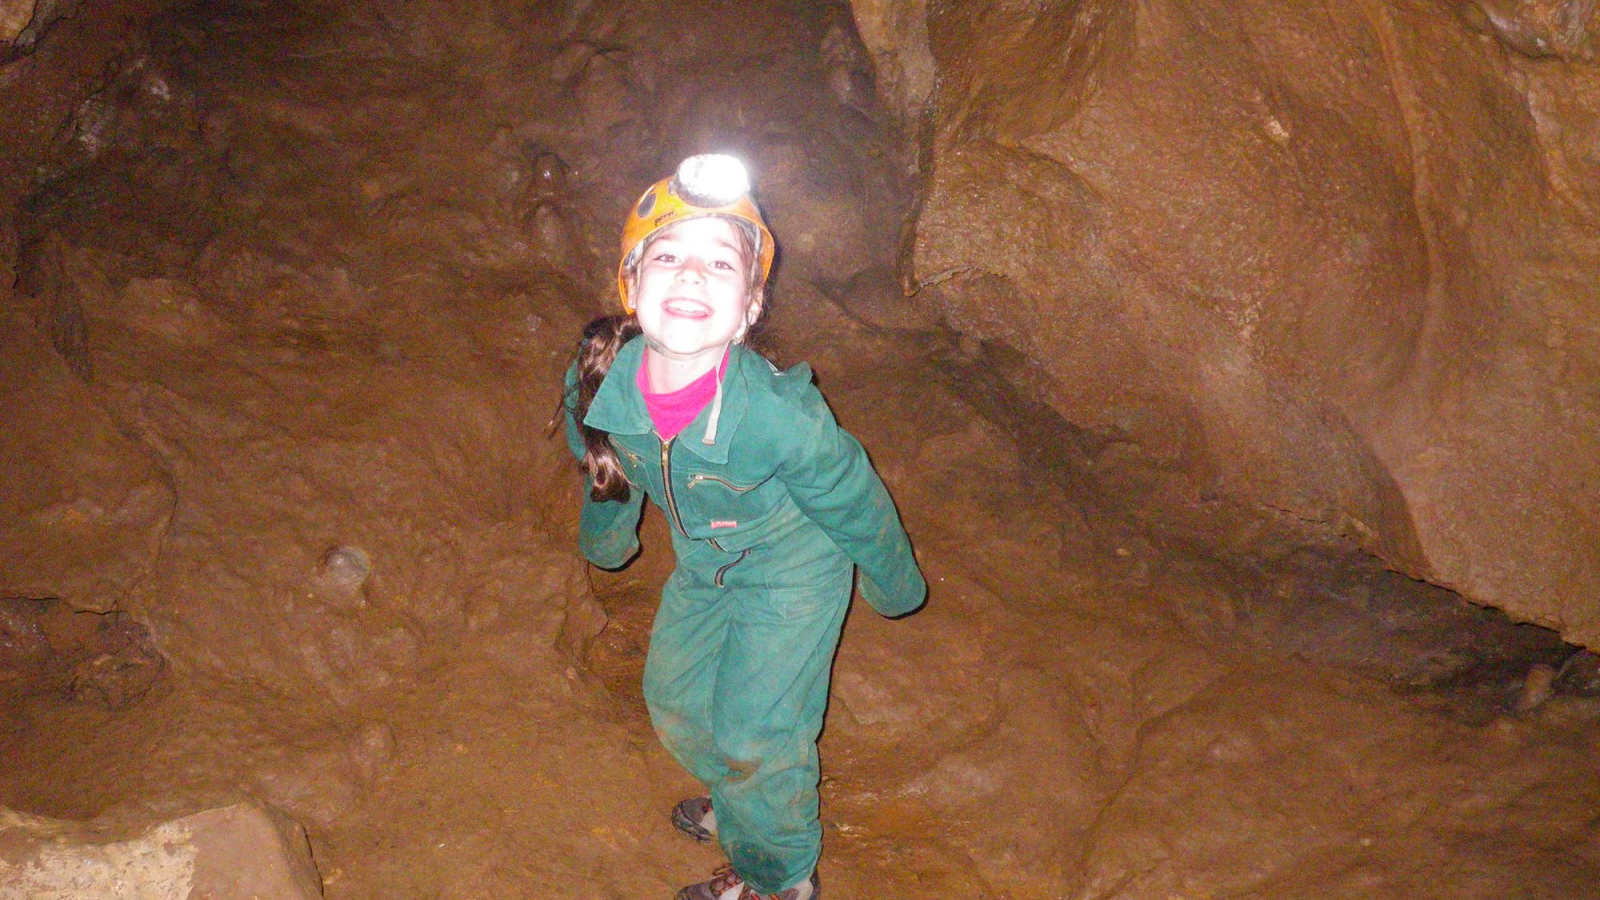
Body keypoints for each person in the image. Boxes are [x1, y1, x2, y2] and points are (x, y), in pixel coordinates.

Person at [562, 154, 926, 900]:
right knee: (677, 702)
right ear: (630, 286)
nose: (691, 275)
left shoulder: (778, 415)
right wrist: (605, 535)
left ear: (750, 309)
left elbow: (853, 496)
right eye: (668, 256)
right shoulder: (600, 373)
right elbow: (602, 454)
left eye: (720, 264)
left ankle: (779, 875)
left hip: (795, 570)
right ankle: (746, 808)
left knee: (757, 735)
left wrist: (894, 583)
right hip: (708, 563)